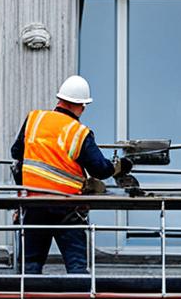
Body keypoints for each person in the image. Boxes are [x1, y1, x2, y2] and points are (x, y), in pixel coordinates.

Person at [10, 75, 133, 275]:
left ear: (59, 100)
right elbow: (100, 170)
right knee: (76, 267)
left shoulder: (35, 119)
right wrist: (121, 166)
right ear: (81, 105)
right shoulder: (78, 132)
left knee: (30, 266)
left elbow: (16, 153)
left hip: (34, 204)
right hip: (66, 208)